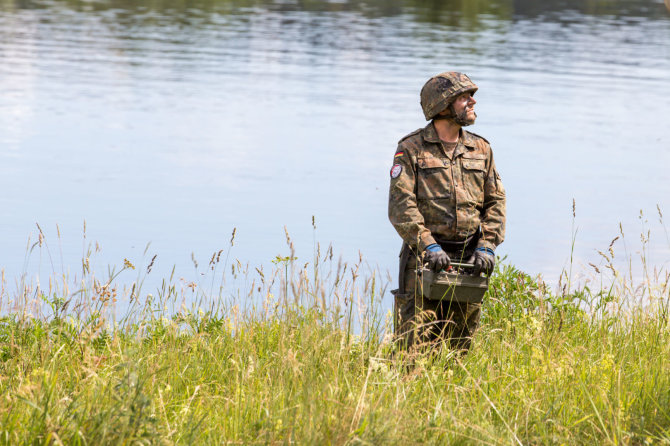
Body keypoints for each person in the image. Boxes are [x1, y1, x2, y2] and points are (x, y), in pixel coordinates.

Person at [388, 72, 506, 352]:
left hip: (470, 262)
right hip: (423, 262)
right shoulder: (411, 148)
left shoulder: (481, 148)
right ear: (443, 105)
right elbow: (401, 206)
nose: (472, 101)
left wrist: (487, 246)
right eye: (464, 97)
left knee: (458, 349)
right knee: (413, 348)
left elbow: (496, 202)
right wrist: (429, 245)